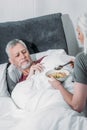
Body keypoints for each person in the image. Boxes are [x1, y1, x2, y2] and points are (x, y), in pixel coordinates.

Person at [49, 13, 87, 113]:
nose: (78, 38)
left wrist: (58, 86)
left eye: (79, 33)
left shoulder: (82, 59)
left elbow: (77, 106)